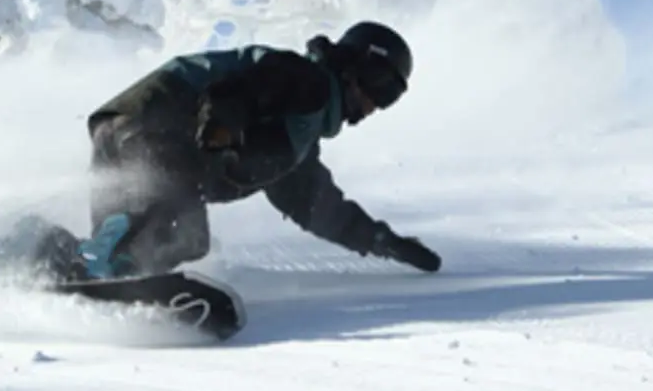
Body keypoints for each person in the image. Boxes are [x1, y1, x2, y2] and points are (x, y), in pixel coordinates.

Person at [72, 21, 441, 280]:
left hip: (122, 130)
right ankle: (111, 262)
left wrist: (381, 240)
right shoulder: (303, 80)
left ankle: (70, 266)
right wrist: (220, 128)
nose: (374, 103)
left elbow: (319, 207)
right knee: (182, 233)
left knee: (164, 242)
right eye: (379, 84)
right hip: (156, 124)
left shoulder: (298, 141)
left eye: (389, 97)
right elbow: (236, 90)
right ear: (353, 65)